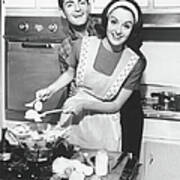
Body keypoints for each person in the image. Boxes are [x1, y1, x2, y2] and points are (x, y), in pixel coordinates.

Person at [36, 0, 146, 152]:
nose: (118, 30)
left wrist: (83, 105)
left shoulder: (135, 62)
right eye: (114, 22)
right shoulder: (80, 45)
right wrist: (51, 89)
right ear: (107, 22)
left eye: (126, 25)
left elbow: (115, 105)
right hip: (75, 121)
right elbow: (70, 73)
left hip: (105, 124)